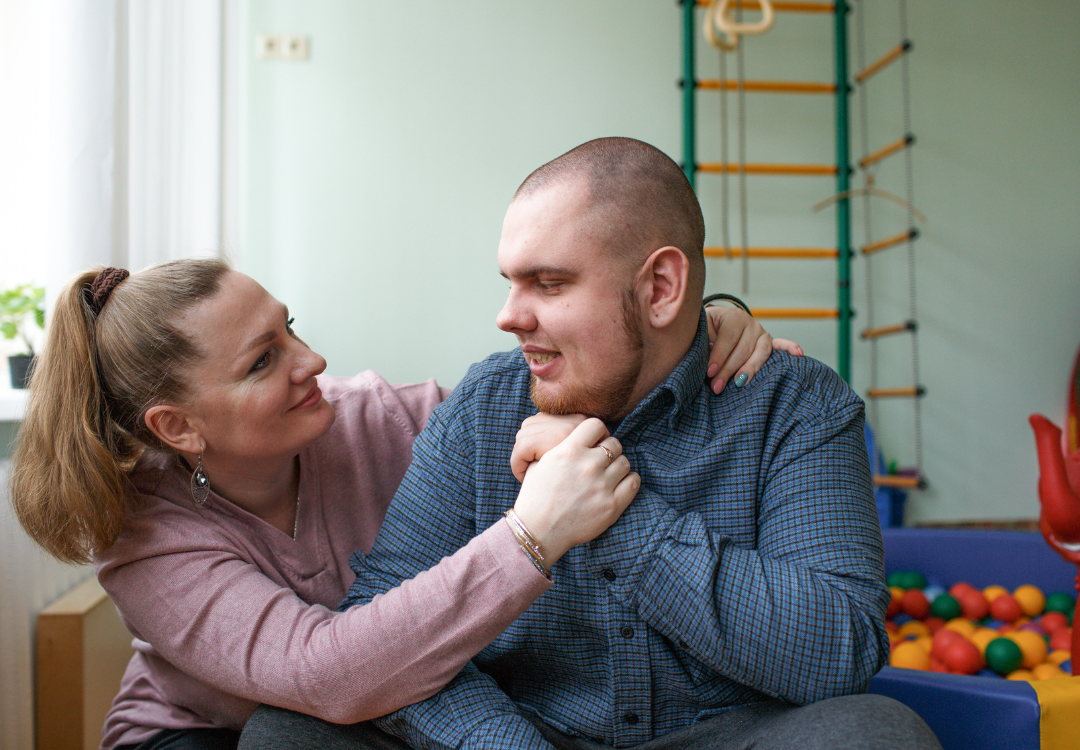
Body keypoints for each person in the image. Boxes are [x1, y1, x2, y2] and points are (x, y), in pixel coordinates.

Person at [251, 137, 941, 750]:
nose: (508, 317)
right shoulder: (484, 408)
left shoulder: (797, 405)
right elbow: (378, 634)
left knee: (879, 733)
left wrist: (616, 516)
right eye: (510, 283)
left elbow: (837, 650)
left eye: (548, 283)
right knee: (285, 734)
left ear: (661, 288)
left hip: (729, 732)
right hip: (526, 727)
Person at [9, 258, 786, 750]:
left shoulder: (375, 417)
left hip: (390, 706)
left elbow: (549, 393)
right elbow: (326, 675)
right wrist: (530, 539)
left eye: (290, 328)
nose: (312, 361)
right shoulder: (147, 541)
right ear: (177, 428)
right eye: (263, 360)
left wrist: (688, 331)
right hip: (214, 735)